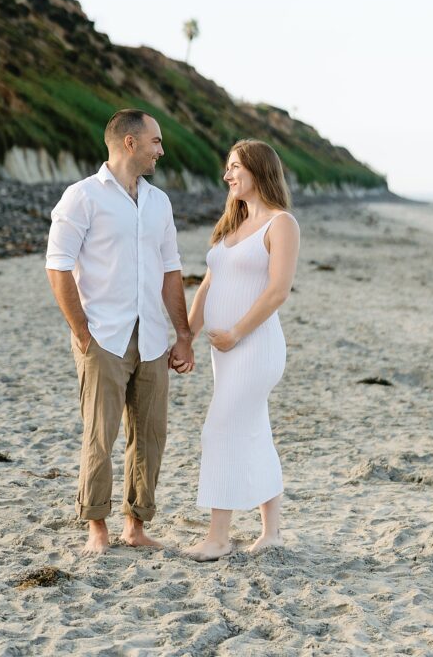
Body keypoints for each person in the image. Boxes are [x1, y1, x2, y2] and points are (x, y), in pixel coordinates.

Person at [45, 109, 195, 555]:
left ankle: (136, 525)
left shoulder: (158, 202)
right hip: (103, 338)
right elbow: (58, 266)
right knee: (100, 434)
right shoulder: (81, 197)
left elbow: (172, 272)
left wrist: (182, 334)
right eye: (155, 142)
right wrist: (82, 331)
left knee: (150, 435)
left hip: (151, 335)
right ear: (130, 143)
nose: (161, 151)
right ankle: (97, 528)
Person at [184, 139, 300, 561]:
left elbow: (277, 291)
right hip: (225, 352)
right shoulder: (232, 226)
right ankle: (271, 532)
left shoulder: (280, 223)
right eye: (227, 168)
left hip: (255, 347)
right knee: (254, 430)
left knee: (220, 429)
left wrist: (235, 332)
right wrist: (187, 336)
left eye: (235, 167)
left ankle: (218, 538)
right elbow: (208, 287)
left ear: (258, 170)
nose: (227, 175)